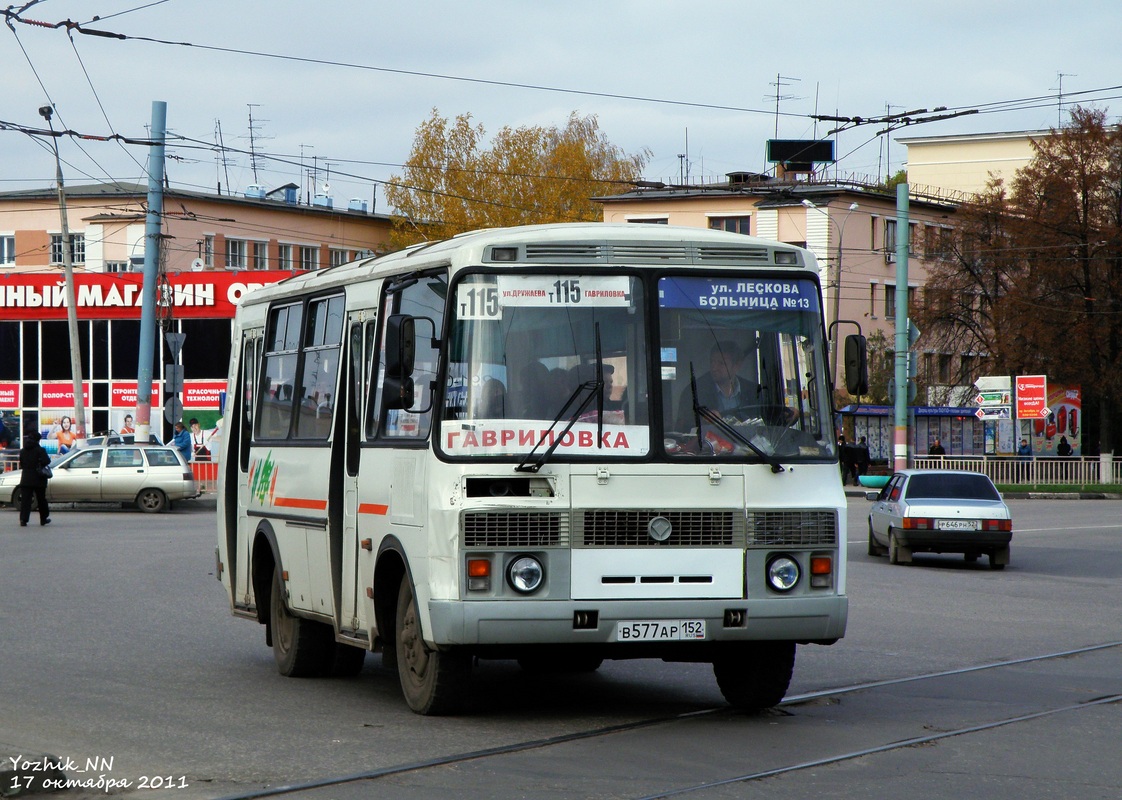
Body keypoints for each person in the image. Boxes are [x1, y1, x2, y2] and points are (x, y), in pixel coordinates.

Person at [18, 428, 51, 527]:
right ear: (37, 440)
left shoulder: (23, 451)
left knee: (26, 500)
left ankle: (23, 520)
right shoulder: (40, 450)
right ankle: (43, 519)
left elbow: (22, 464)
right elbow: (47, 461)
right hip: (39, 478)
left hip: (26, 478)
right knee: (41, 499)